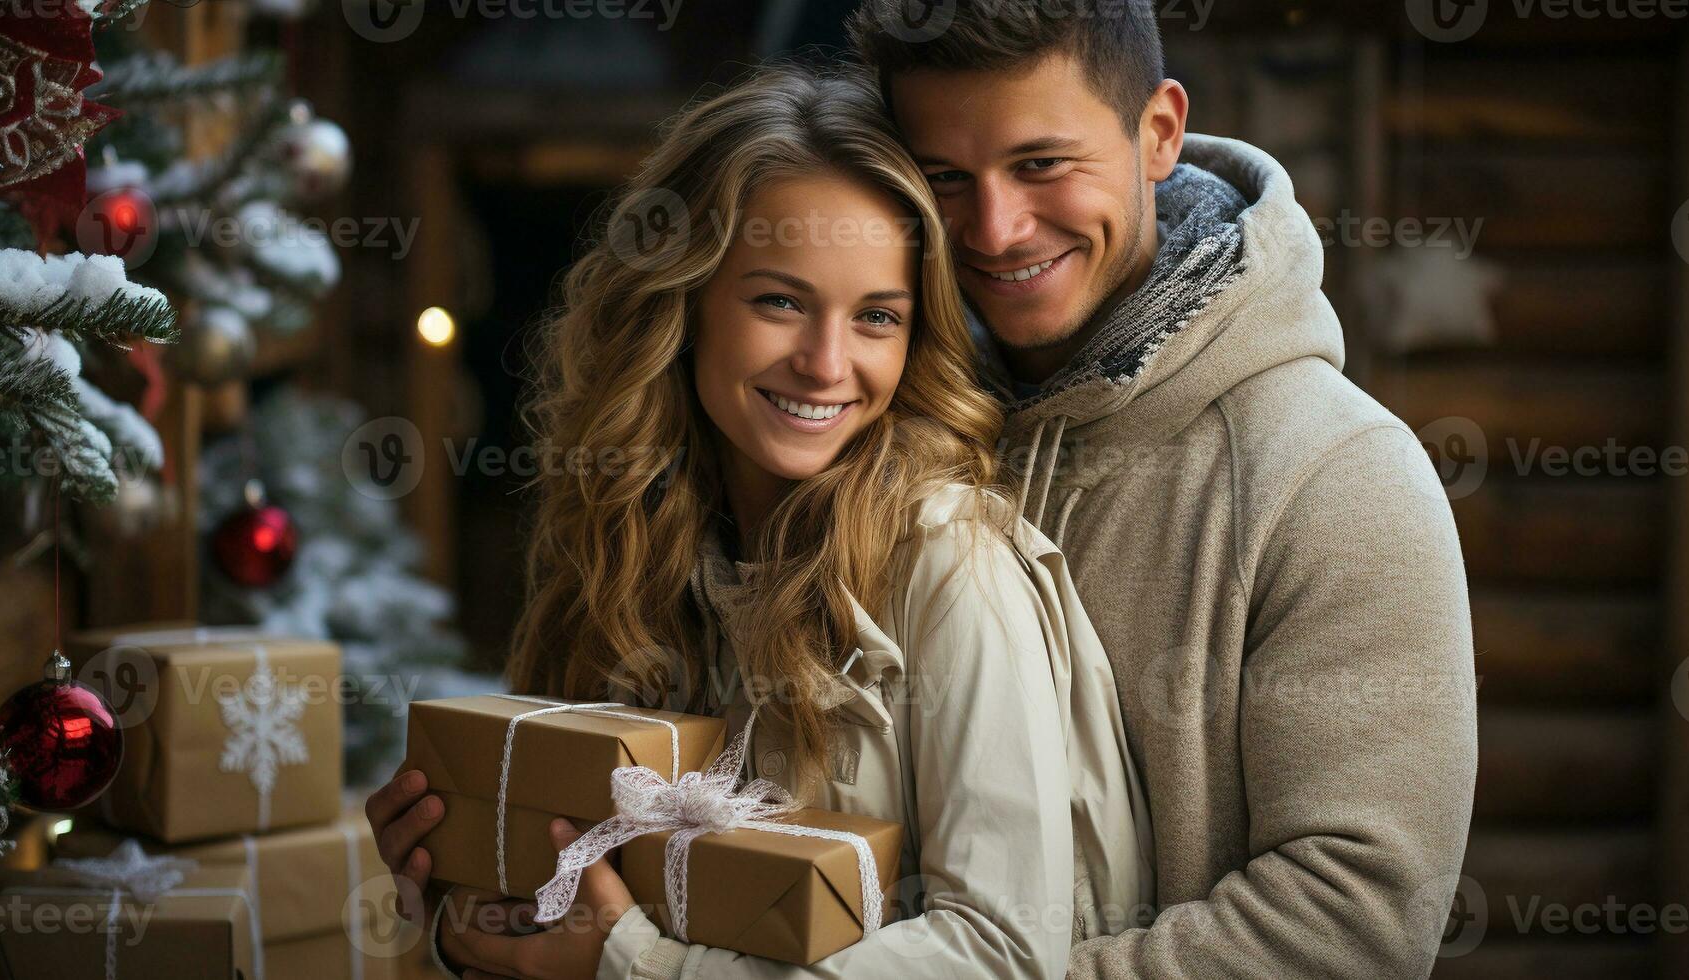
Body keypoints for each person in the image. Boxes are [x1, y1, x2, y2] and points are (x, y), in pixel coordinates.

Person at [365, 66, 1151, 980]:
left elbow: (1003, 952)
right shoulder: (627, 543)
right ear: (685, 302)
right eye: (779, 301)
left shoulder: (945, 559)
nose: (826, 363)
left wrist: (631, 965)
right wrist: (462, 899)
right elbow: (577, 899)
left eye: (875, 318)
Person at [841, 2, 1478, 978]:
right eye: (947, 180)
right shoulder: (871, 428)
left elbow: (1352, 924)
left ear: (1160, 134)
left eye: (1042, 164)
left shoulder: (1340, 475)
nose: (998, 229)